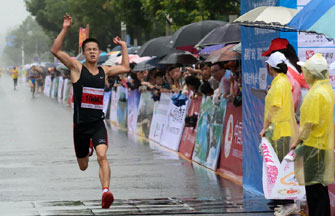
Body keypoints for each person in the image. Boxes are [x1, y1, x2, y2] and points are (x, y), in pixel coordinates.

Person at [51, 14, 130, 209]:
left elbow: (126, 67)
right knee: (84, 166)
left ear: (99, 52)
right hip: (80, 126)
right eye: (89, 50)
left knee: (102, 156)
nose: (92, 52)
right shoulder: (77, 68)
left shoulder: (105, 71)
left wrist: (124, 46)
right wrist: (66, 28)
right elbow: (55, 50)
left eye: (95, 49)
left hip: (97, 124)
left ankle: (106, 191)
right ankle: (86, 149)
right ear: (84, 53)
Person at [290, 53, 334, 216]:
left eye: (306, 70)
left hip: (313, 146)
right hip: (321, 144)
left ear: (313, 73)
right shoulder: (325, 89)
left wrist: (297, 141)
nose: (304, 73)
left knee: (314, 189)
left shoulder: (316, 94)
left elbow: (309, 123)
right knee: (319, 188)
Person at [259, 52, 300, 215]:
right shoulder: (283, 81)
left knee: (280, 166)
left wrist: (265, 127)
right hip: (283, 129)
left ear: (270, 67)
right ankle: (280, 199)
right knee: (279, 165)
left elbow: (275, 107)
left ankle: (285, 201)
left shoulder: (278, 84)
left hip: (278, 130)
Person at [262, 38, 309, 121]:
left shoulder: (285, 72)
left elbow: (290, 96)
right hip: (304, 111)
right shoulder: (294, 65)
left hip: (294, 116)